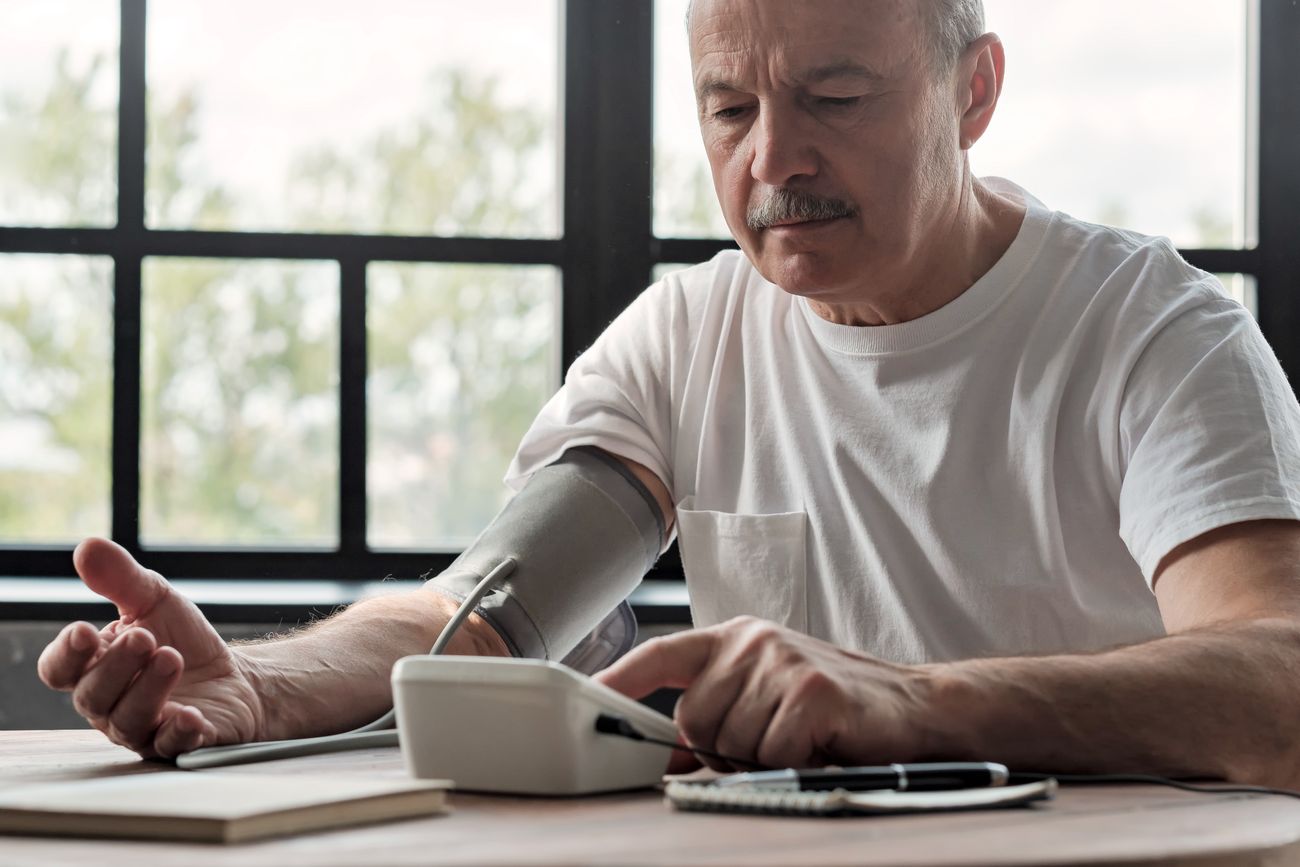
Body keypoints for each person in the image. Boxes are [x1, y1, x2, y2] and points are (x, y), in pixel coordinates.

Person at [39, 0, 1300, 786]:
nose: (773, 161)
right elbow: (479, 619)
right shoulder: (693, 332)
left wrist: (915, 702)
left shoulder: (1155, 336)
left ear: (972, 93)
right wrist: (265, 691)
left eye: (835, 98)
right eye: (729, 106)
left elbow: (1280, 681)